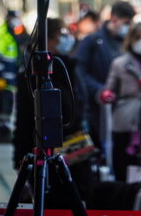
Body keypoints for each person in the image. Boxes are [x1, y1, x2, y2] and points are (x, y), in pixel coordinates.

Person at [12, 18, 94, 207]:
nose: (66, 38)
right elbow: (24, 119)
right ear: (47, 40)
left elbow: (80, 107)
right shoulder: (32, 75)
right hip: (48, 153)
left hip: (76, 149)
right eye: (61, 34)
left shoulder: (69, 66)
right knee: (53, 204)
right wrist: (19, 158)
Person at [74, 1, 135, 149]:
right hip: (96, 112)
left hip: (122, 111)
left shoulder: (129, 44)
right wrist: (98, 90)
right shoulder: (93, 41)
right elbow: (79, 70)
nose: (129, 27)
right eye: (126, 22)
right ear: (114, 19)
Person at [99, 23, 141, 181]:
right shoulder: (119, 63)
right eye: (137, 37)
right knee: (123, 157)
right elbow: (109, 88)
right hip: (125, 117)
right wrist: (107, 95)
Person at [0, 10, 26, 143]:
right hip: (3, 77)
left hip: (9, 77)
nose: (17, 21)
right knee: (3, 103)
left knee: (7, 102)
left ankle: (5, 129)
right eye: (15, 18)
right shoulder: (1, 33)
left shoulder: (10, 33)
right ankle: (3, 132)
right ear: (9, 18)